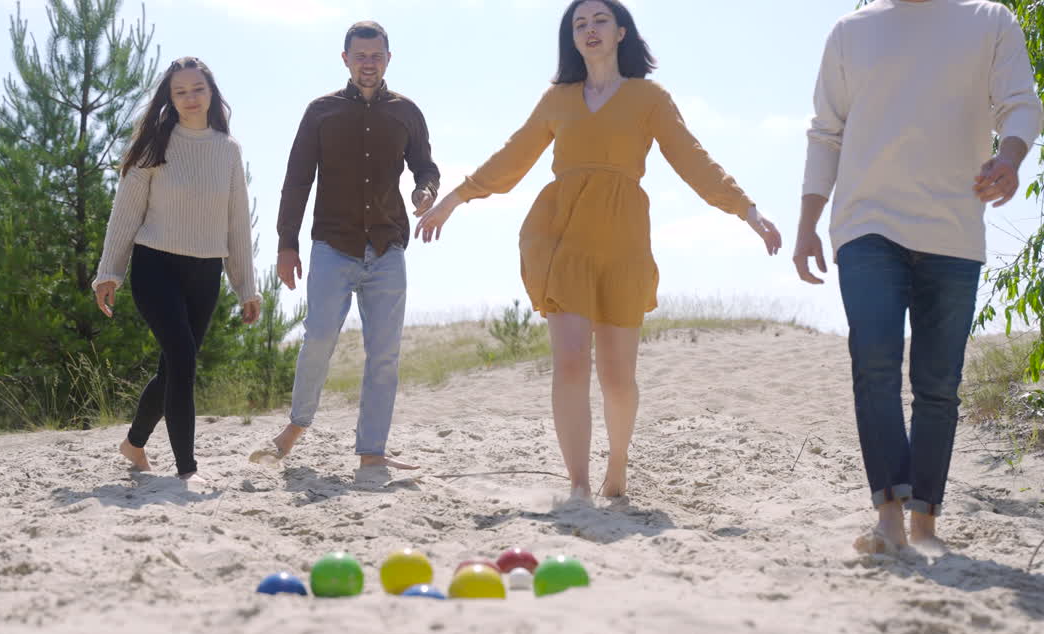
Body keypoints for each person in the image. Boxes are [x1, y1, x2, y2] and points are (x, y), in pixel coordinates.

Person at [415, 0, 782, 502]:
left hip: (623, 239)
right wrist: (456, 199)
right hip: (561, 235)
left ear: (622, 33)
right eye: (579, 24)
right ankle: (578, 485)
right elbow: (515, 154)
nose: (589, 30)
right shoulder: (558, 99)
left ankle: (618, 462)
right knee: (569, 361)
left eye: (600, 21)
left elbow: (693, 158)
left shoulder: (647, 97)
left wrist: (747, 210)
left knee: (616, 376)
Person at [794, 0, 1043, 552]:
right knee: (875, 362)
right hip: (866, 224)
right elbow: (825, 133)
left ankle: (925, 521)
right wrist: (809, 222)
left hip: (952, 229)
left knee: (937, 384)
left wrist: (1011, 158)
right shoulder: (850, 31)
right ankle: (889, 516)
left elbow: (1021, 105)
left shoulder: (989, 20)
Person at [250, 21, 440, 471]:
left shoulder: (407, 112)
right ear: (346, 59)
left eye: (376, 55)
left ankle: (371, 451)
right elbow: (297, 181)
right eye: (360, 56)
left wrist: (425, 192)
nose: (368, 63)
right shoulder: (321, 112)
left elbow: (425, 167)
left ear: (388, 59)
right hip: (333, 246)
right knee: (317, 339)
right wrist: (285, 245)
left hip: (388, 246)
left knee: (384, 353)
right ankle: (295, 427)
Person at [92, 57, 260, 479]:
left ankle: (133, 445)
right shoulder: (154, 146)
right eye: (180, 91)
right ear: (170, 97)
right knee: (182, 356)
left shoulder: (228, 151)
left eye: (197, 89)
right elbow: (125, 214)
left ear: (211, 93)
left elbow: (236, 222)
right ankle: (187, 470)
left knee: (173, 367)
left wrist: (246, 287)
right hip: (155, 267)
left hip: (205, 273)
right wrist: (109, 272)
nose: (189, 98)